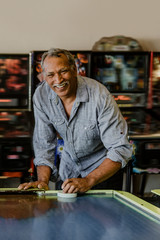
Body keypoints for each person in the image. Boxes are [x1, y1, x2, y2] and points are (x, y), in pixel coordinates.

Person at [18, 48, 132, 193]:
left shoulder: (99, 95)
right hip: (69, 172)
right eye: (51, 75)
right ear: (44, 76)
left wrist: (88, 180)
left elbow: (120, 148)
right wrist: (42, 182)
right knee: (66, 215)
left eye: (63, 71)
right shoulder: (41, 95)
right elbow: (43, 144)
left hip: (102, 173)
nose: (58, 80)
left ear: (74, 69)